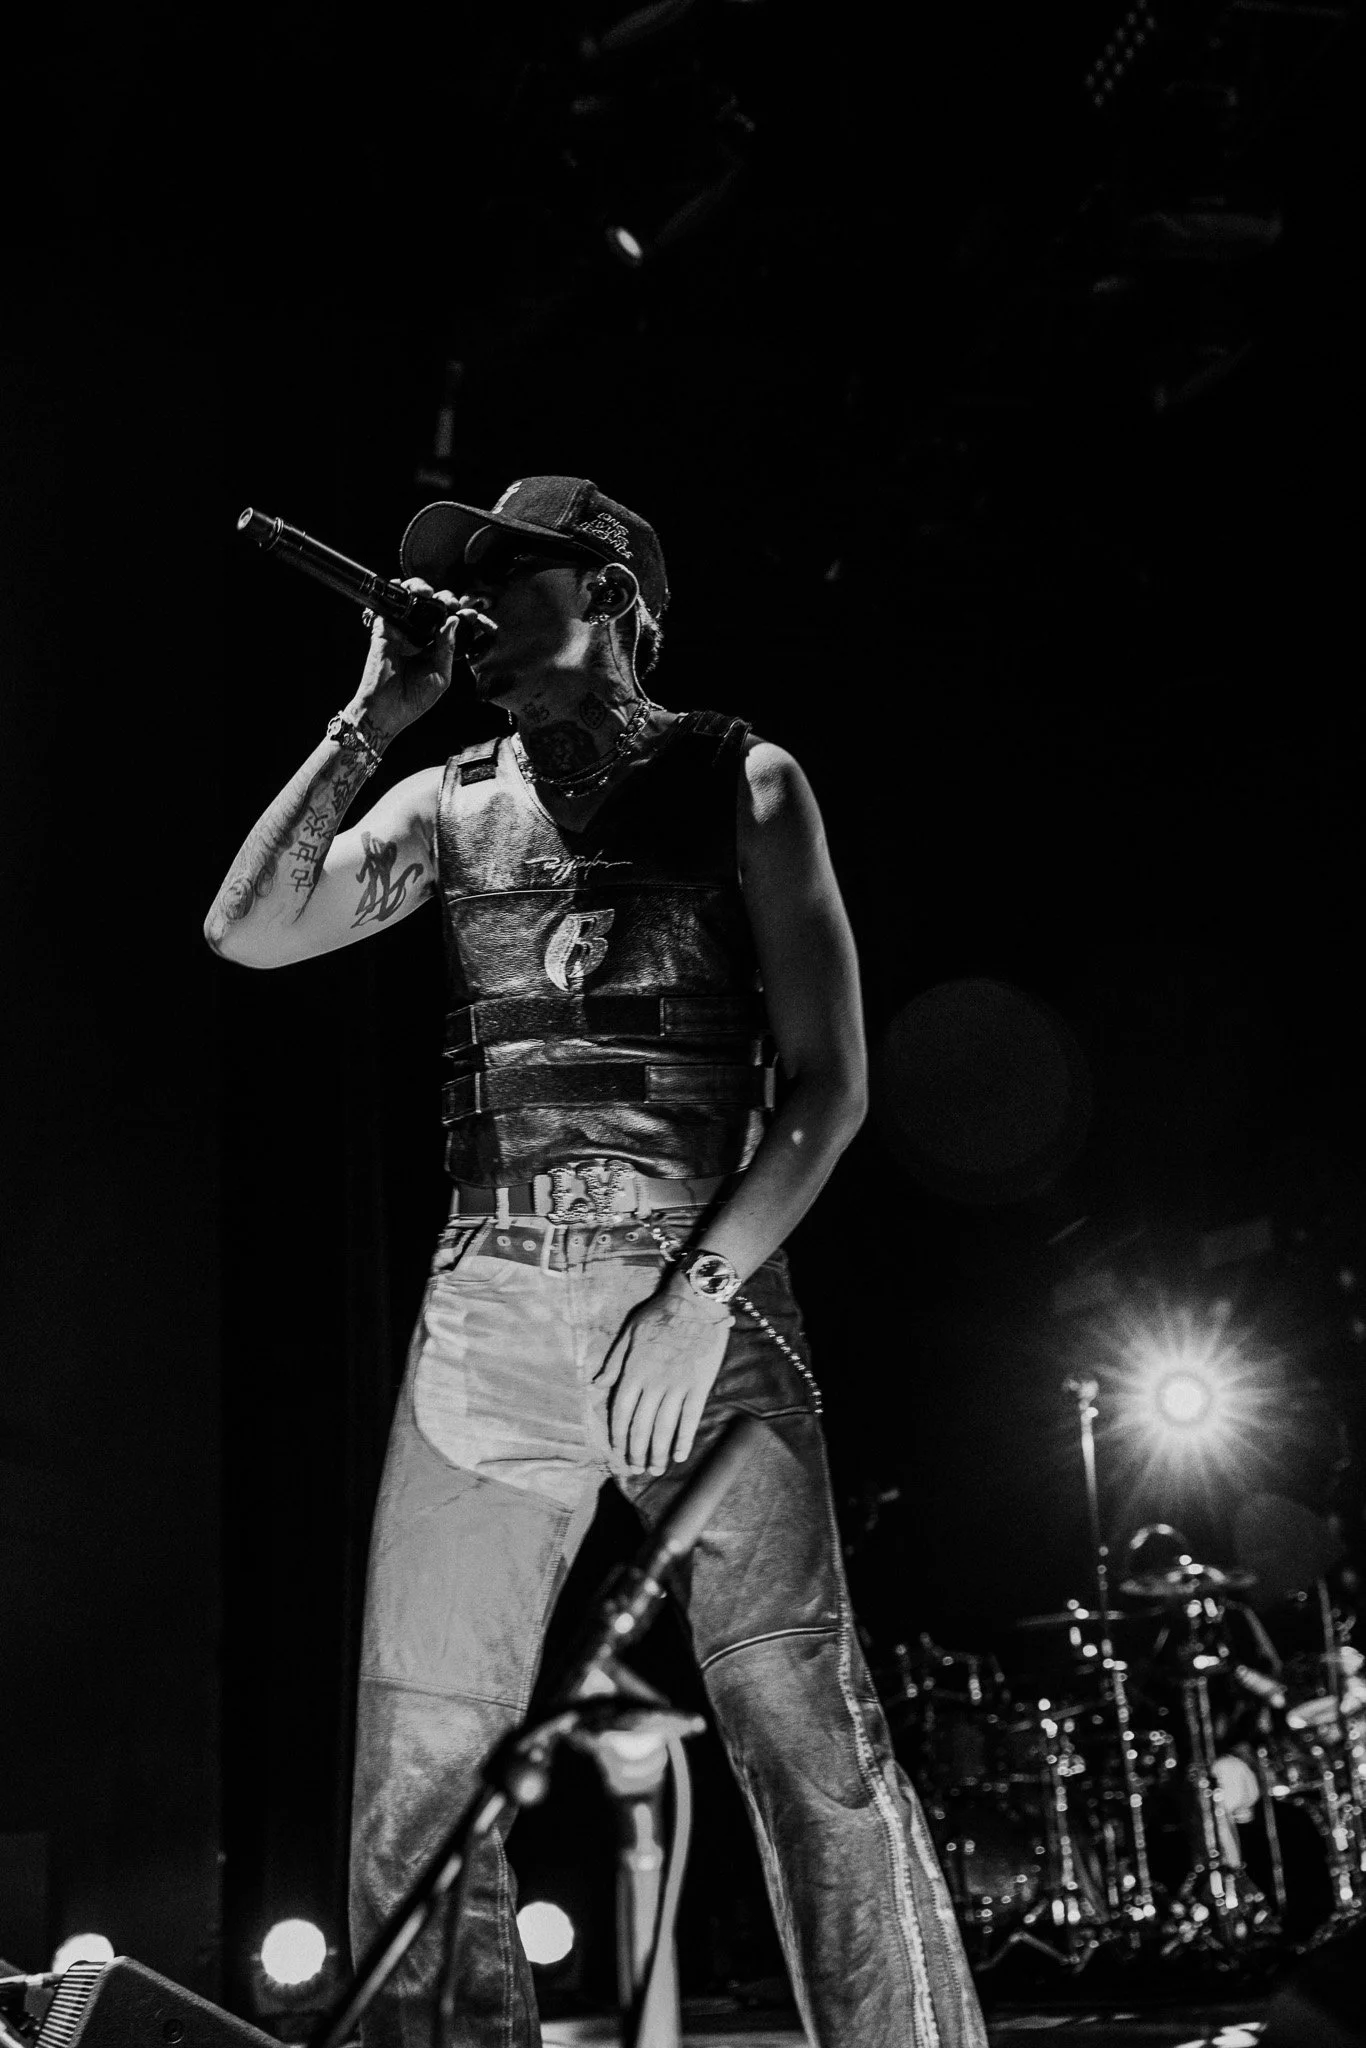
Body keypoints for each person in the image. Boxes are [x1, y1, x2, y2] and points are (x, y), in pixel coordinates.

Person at [205, 475, 985, 2047]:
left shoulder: (744, 781)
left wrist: (696, 1299)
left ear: (615, 593)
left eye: (511, 573)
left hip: (699, 1304)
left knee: (801, 1733)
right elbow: (250, 928)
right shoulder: (446, 801)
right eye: (462, 580)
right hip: (487, 1315)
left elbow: (831, 1088)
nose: (474, 604)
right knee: (420, 1768)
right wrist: (375, 711)